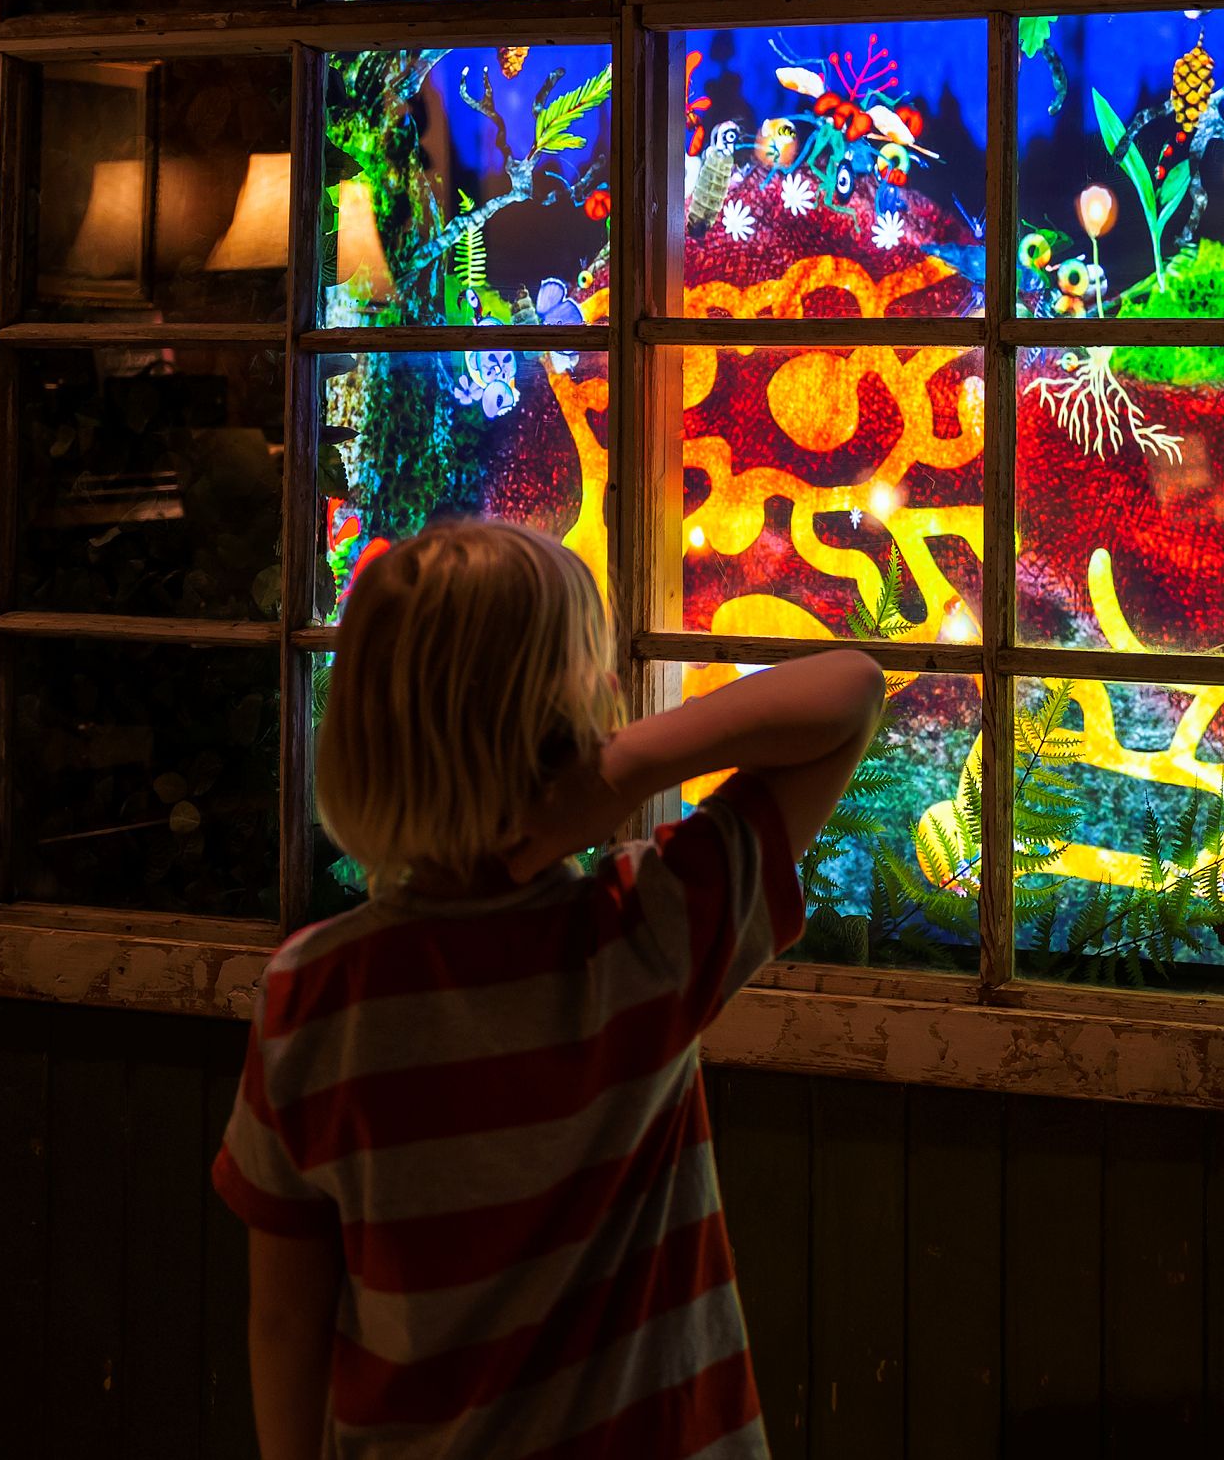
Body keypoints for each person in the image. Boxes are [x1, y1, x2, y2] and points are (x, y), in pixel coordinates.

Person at [212, 520, 885, 1458]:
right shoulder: (641, 931)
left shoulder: (312, 997)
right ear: (572, 730)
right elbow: (851, 688)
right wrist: (624, 773)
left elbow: (285, 1323)